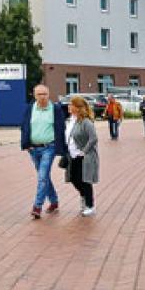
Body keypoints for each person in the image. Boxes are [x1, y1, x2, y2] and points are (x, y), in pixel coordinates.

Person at [20, 84, 68, 219]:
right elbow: (24, 126)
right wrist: (26, 144)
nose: (42, 97)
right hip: (33, 149)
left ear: (49, 94)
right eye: (39, 94)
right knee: (44, 177)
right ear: (34, 95)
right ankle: (54, 201)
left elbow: (61, 128)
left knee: (42, 177)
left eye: (44, 94)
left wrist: (62, 148)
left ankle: (37, 206)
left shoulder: (55, 109)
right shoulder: (30, 108)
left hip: (49, 148)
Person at [65, 96, 100, 216]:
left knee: (85, 180)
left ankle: (90, 206)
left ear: (78, 108)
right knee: (74, 179)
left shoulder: (86, 122)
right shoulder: (71, 120)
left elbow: (93, 138)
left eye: (72, 104)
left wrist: (84, 151)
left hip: (84, 156)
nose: (69, 106)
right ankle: (84, 196)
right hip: (73, 155)